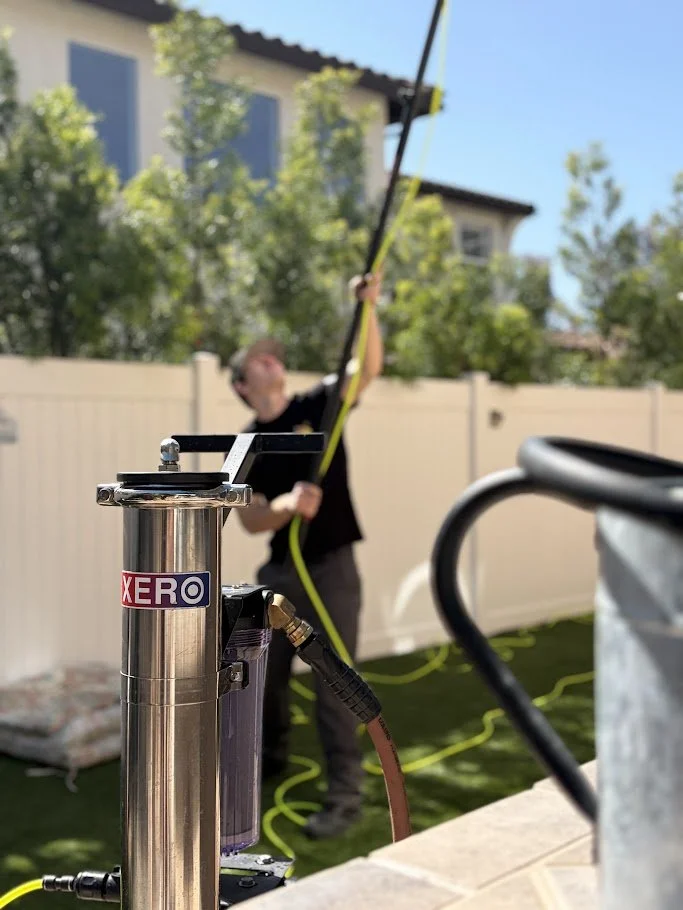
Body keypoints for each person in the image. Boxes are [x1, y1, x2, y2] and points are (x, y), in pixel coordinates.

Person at [228, 272, 384, 840]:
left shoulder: (317, 405)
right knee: (261, 676)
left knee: (333, 681)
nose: (271, 360)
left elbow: (365, 370)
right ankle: (270, 759)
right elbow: (249, 518)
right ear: (243, 385)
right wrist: (288, 506)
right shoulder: (245, 444)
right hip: (280, 572)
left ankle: (345, 796)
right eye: (259, 360)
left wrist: (369, 308)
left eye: (273, 356)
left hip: (332, 567)